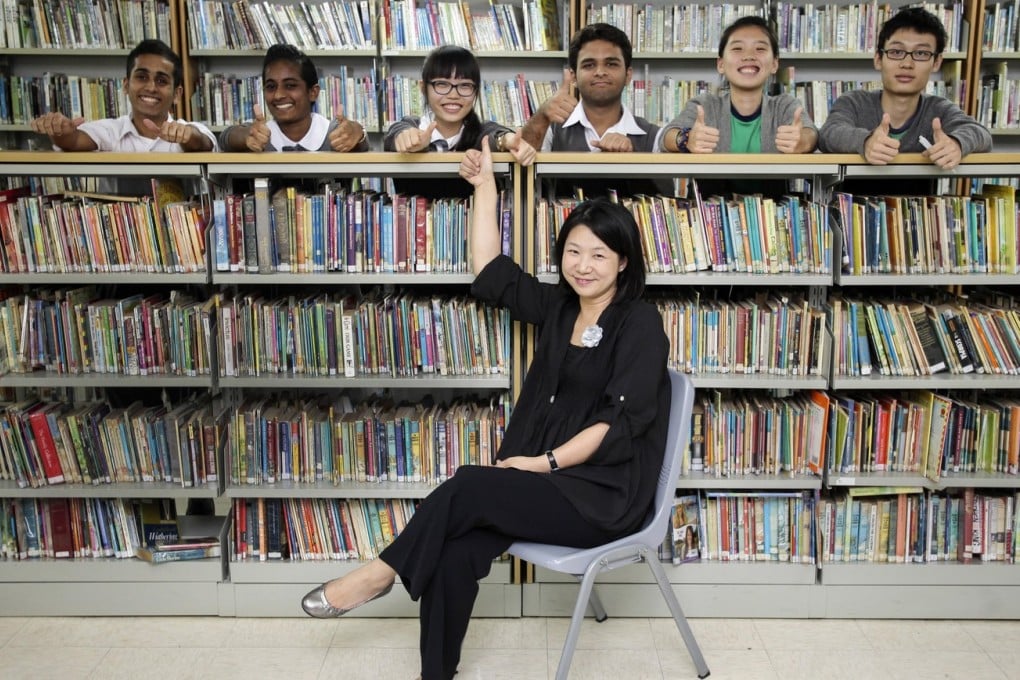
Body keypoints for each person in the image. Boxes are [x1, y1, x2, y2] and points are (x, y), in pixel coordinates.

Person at [301, 135, 671, 680]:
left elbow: (619, 424)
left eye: (598, 254)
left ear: (622, 262)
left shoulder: (640, 323)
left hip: (601, 495)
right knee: (455, 552)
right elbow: (489, 272)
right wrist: (484, 188)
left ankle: (379, 574)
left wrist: (543, 464)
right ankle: (436, 675)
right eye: (573, 251)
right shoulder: (561, 307)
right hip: (542, 481)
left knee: (470, 484)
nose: (583, 265)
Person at [818, 7, 992, 170]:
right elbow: (828, 134)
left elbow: (981, 134)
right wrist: (866, 141)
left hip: (923, 202)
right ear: (878, 59)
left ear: (936, 62)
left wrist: (956, 144)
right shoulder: (854, 102)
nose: (907, 64)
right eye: (896, 52)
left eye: (921, 53)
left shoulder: (939, 110)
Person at [519, 22, 666, 197]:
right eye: (589, 65)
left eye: (611, 64)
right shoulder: (552, 128)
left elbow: (665, 202)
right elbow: (521, 174)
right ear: (573, 76)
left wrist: (632, 159)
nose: (600, 72)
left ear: (628, 75)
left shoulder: (653, 136)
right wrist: (542, 116)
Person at [383, 45, 535, 198]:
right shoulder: (411, 126)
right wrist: (408, 140)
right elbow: (396, 133)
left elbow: (493, 135)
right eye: (442, 84)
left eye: (465, 86)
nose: (454, 95)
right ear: (423, 88)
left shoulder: (481, 131)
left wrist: (506, 140)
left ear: (475, 91)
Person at [660, 16, 817, 156]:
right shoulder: (704, 105)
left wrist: (802, 142)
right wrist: (686, 139)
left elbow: (811, 134)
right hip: (711, 190)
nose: (749, 56)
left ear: (774, 64)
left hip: (774, 191)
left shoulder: (785, 106)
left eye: (760, 49)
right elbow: (666, 136)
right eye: (737, 48)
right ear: (720, 64)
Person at [30, 39, 216, 153]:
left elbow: (202, 143)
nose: (151, 87)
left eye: (161, 81)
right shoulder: (110, 131)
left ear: (177, 94)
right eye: (142, 77)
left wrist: (189, 136)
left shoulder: (188, 129)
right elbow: (73, 141)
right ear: (126, 85)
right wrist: (59, 130)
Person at [218, 44, 370, 153]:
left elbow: (361, 143)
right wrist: (245, 137)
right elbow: (226, 138)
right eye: (271, 87)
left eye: (290, 86)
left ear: (313, 92)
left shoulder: (333, 132)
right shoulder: (259, 134)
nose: (278, 95)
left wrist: (357, 132)